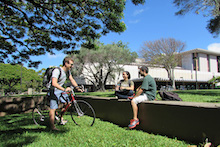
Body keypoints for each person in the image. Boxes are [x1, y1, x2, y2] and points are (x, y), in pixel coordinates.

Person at [49, 57, 83, 131]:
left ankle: (61, 118)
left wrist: (77, 88)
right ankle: (52, 127)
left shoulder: (68, 71)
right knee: (53, 109)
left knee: (68, 104)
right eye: (71, 64)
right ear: (66, 63)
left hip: (60, 89)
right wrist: (64, 89)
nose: (72, 66)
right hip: (54, 90)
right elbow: (54, 83)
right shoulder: (57, 71)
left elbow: (72, 80)